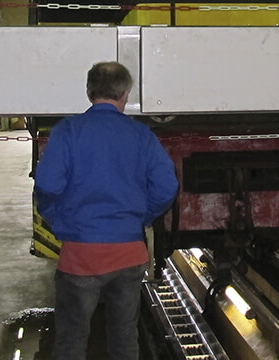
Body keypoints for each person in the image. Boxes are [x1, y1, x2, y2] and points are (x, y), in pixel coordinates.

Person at [34, 61, 178, 360]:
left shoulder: (67, 131)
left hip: (80, 255)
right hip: (129, 253)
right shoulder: (141, 135)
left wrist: (59, 219)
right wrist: (141, 218)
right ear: (125, 93)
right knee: (125, 338)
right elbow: (166, 187)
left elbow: (46, 184)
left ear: (89, 92)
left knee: (71, 341)